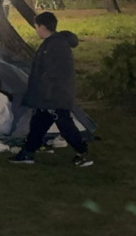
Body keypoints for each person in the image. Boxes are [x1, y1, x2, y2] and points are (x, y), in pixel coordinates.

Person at [9, 12, 93, 167]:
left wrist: (46, 94)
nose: (36, 30)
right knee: (38, 124)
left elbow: (53, 73)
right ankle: (27, 153)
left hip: (54, 96)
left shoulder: (55, 46)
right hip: (48, 96)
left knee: (65, 125)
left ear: (42, 26)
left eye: (36, 27)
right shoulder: (52, 44)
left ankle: (83, 152)